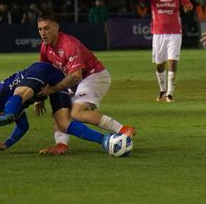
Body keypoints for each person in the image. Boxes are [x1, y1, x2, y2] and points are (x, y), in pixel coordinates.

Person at [35, 13, 135, 155]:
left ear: (56, 27)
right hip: (77, 83)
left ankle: (123, 129)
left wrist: (53, 89)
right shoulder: (45, 48)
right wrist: (39, 99)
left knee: (77, 113)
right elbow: (44, 72)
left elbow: (76, 76)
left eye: (47, 28)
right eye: (40, 29)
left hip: (94, 76)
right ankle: (61, 145)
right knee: (60, 112)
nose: (43, 33)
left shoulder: (69, 44)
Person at [0, 62, 115, 156]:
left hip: (39, 70)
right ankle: (105, 140)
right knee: (63, 123)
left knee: (17, 96)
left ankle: (8, 116)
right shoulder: (14, 107)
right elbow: (23, 127)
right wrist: (6, 144)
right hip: (56, 80)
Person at [134, 0, 193, 103]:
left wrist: (187, 7)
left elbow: (188, 4)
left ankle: (170, 94)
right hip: (159, 33)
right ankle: (162, 90)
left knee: (172, 62)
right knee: (160, 64)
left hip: (175, 33)